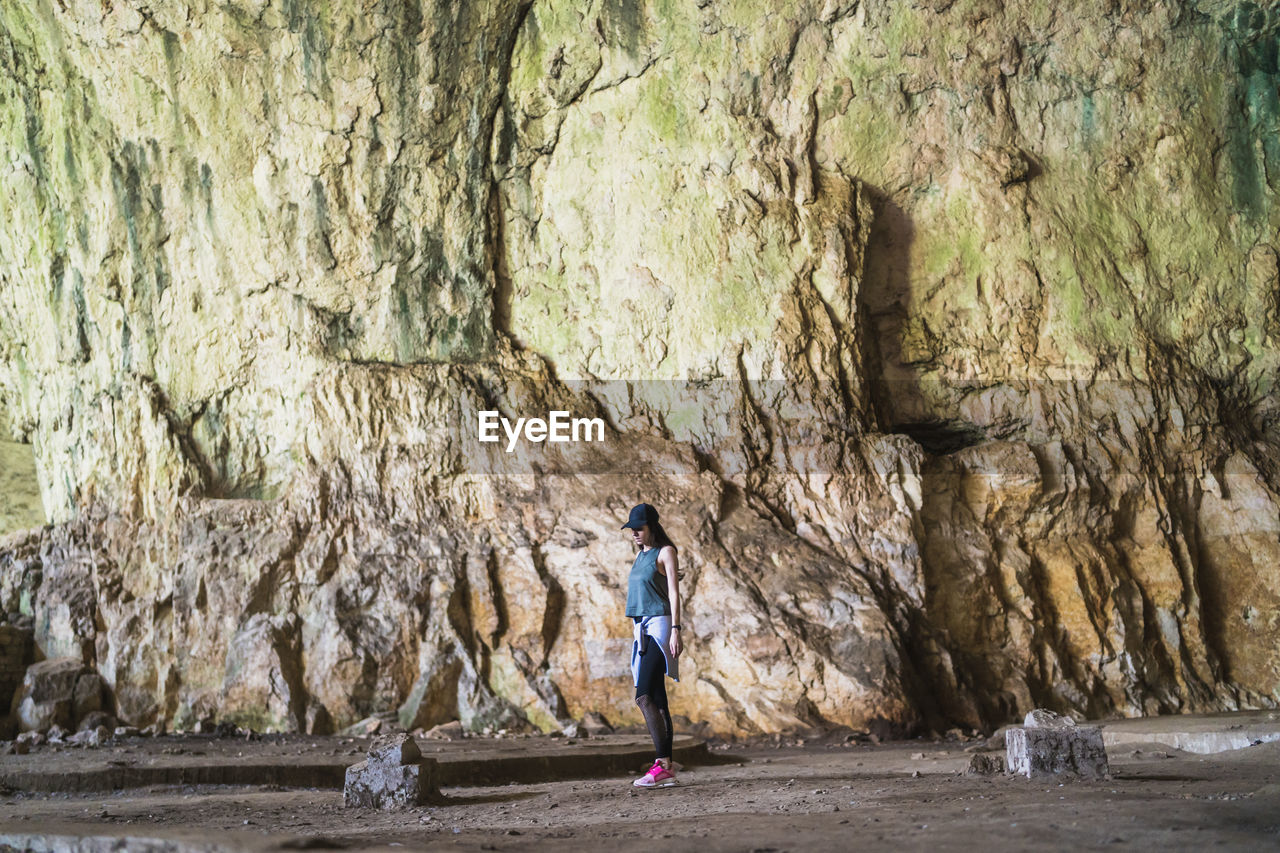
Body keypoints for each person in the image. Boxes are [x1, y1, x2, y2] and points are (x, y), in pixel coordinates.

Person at [621, 502, 683, 788]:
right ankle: (666, 767)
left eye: (639, 528)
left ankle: (661, 764)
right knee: (657, 698)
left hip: (660, 627)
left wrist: (676, 630)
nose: (634, 532)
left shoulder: (666, 552)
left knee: (643, 696)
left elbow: (673, 593)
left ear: (652, 527)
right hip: (642, 630)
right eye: (631, 529)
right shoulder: (640, 556)